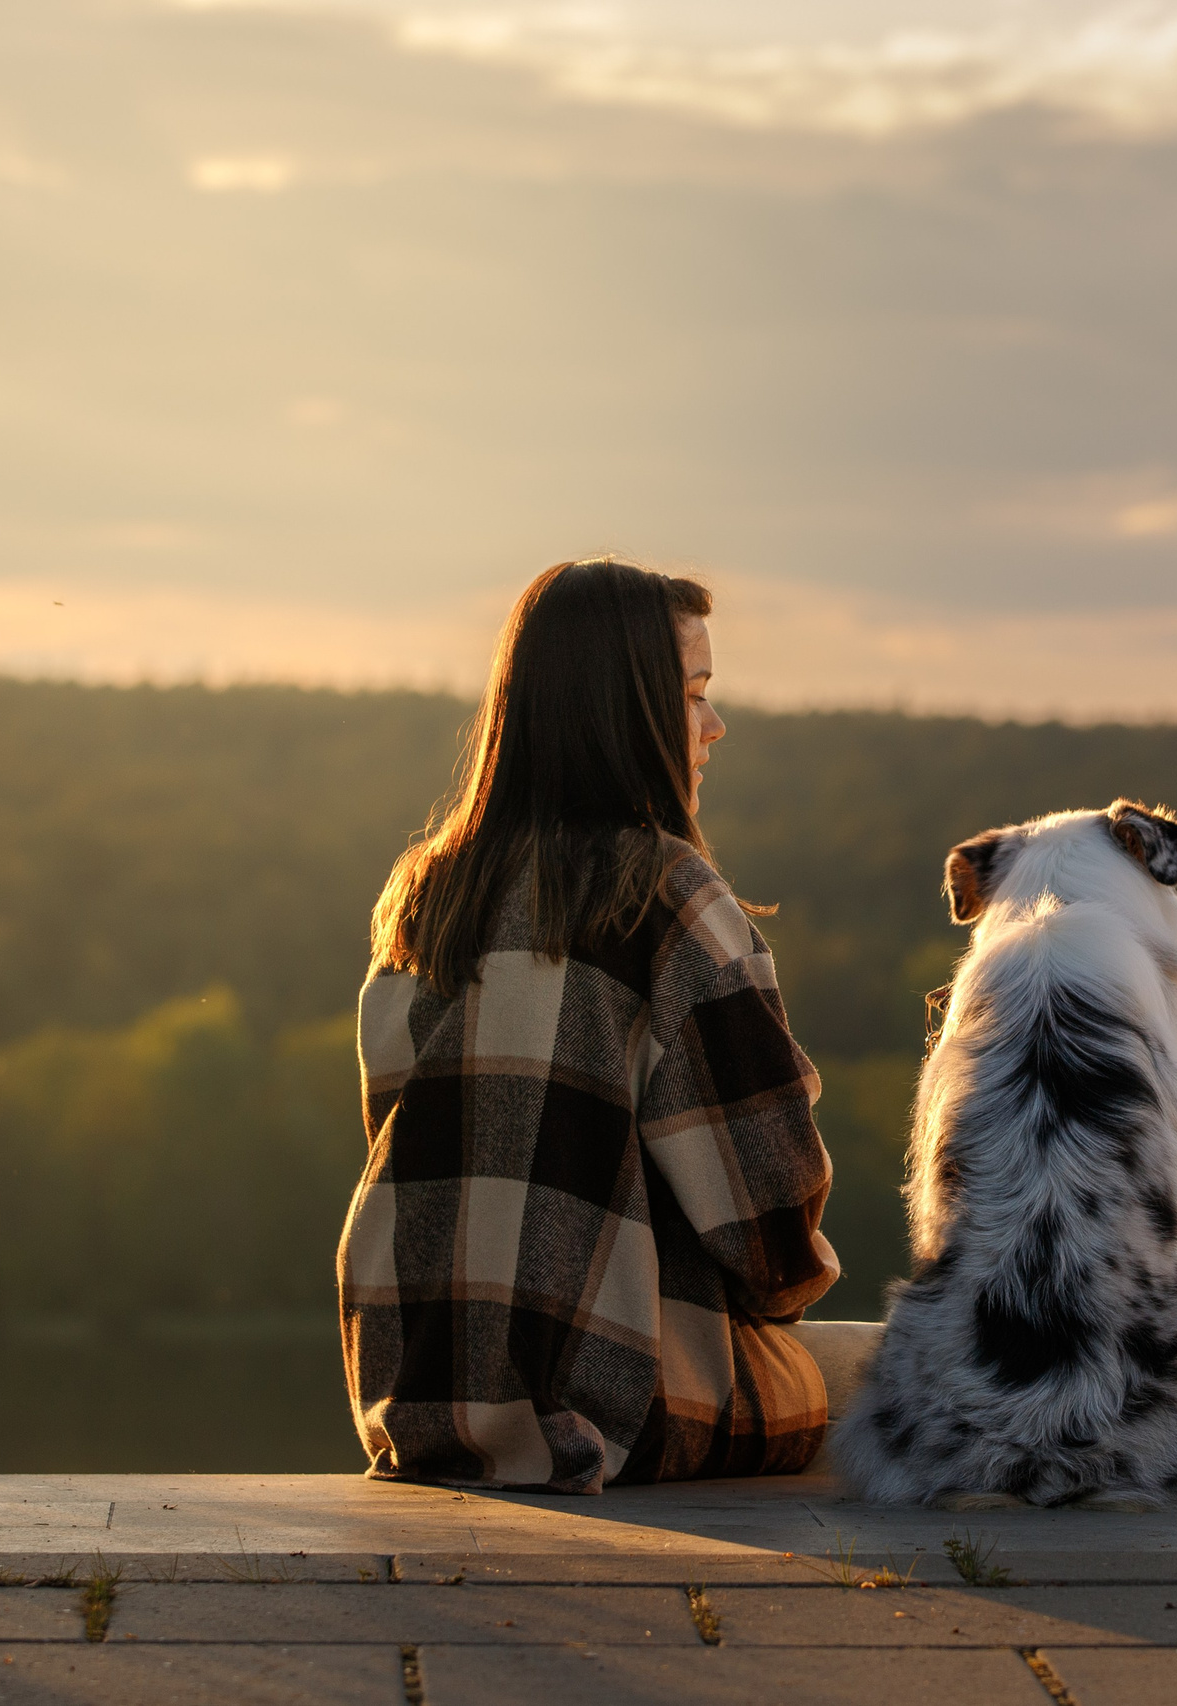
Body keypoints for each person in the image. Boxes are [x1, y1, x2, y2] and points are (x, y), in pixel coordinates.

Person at [338, 558, 840, 1492]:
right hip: (611, 1421)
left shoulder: (422, 899)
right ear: (631, 713)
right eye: (694, 697)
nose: (714, 726)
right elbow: (770, 1228)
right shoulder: (668, 897)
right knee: (889, 1377)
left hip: (418, 1406)